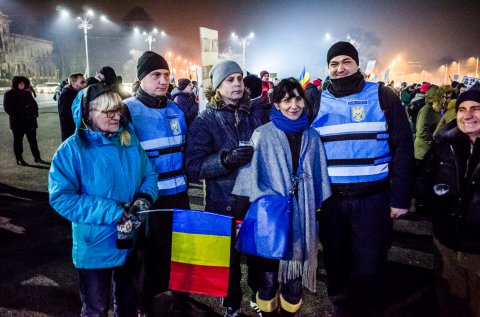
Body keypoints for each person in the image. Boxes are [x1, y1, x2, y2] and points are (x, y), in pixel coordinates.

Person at [311, 41, 414, 316]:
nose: (340, 68)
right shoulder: (317, 100)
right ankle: (341, 308)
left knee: (370, 264)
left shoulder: (382, 95)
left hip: (373, 200)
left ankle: (368, 309)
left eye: (346, 62)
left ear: (357, 65)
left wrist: (401, 197)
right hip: (332, 201)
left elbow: (403, 147)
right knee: (335, 261)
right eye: (334, 64)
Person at [48, 83, 158, 317]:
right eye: (109, 111)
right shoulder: (71, 151)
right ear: (88, 114)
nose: (117, 115)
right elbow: (62, 198)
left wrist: (144, 197)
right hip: (95, 247)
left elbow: (149, 174)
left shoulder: (129, 141)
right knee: (96, 309)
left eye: (118, 108)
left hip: (129, 241)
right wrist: (113, 211)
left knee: (128, 305)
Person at [232, 78, 331, 316]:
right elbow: (247, 180)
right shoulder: (262, 135)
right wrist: (239, 219)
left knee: (294, 286)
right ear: (276, 104)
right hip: (271, 221)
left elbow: (320, 180)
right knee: (266, 284)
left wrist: (318, 214)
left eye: (298, 98)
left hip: (303, 220)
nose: (293, 105)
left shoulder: (313, 136)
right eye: (286, 100)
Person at [186, 60, 263, 317]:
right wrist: (225, 159)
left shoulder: (255, 114)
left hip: (254, 199)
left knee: (256, 253)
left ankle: (257, 296)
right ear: (217, 87)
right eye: (230, 80)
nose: (237, 84)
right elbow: (194, 166)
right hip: (223, 202)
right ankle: (231, 303)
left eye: (240, 79)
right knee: (227, 259)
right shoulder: (205, 120)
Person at [123, 51, 196, 316]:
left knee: (180, 251)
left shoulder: (175, 109)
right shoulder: (127, 110)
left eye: (166, 74)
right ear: (141, 78)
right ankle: (144, 305)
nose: (163, 80)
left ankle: (181, 300)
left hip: (179, 196)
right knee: (145, 255)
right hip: (148, 199)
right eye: (156, 75)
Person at [416, 89, 480, 316]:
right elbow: (423, 177)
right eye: (462, 109)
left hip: (477, 249)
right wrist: (434, 202)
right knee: (449, 302)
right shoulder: (445, 142)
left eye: (476, 108)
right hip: (446, 243)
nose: (468, 115)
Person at [3, 76, 47, 166]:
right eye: (20, 83)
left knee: (33, 141)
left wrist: (35, 114)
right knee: (18, 141)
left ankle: (37, 157)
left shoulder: (27, 93)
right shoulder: (9, 94)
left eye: (23, 83)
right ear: (16, 84)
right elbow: (7, 108)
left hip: (30, 121)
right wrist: (19, 115)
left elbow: (34, 105)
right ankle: (19, 159)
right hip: (17, 122)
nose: (22, 85)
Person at [414, 85, 441, 163]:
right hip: (423, 152)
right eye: (440, 96)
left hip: (427, 150)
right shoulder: (426, 111)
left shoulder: (434, 109)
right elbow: (422, 131)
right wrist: (433, 139)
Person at [58, 73, 86, 141]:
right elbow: (65, 117)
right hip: (71, 134)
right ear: (73, 83)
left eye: (85, 82)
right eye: (82, 82)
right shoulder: (66, 95)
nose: (85, 85)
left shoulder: (75, 93)